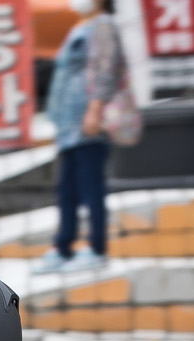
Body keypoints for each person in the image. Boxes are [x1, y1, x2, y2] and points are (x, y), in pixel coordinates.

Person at [34, 0, 128, 275]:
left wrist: (95, 109)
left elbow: (106, 69)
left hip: (88, 123)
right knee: (68, 191)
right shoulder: (82, 26)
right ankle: (63, 247)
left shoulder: (104, 26)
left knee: (90, 188)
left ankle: (97, 247)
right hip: (69, 125)